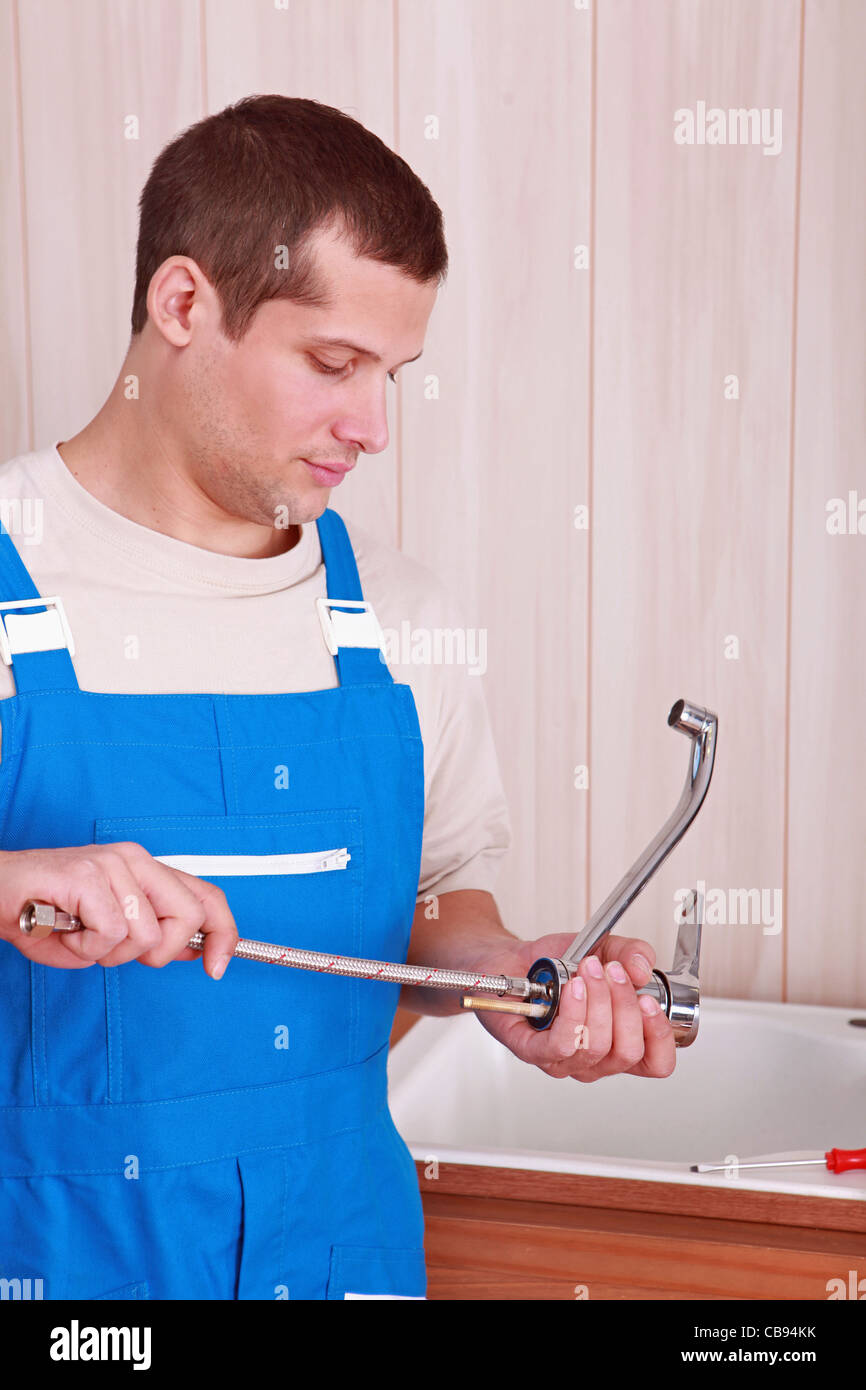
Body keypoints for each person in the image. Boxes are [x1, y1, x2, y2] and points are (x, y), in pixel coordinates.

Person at [0, 94, 674, 1302]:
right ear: (184, 303)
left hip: (339, 1251)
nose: (370, 427)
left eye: (392, 373)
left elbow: (434, 914)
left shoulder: (399, 621)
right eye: (332, 363)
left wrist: (505, 974)